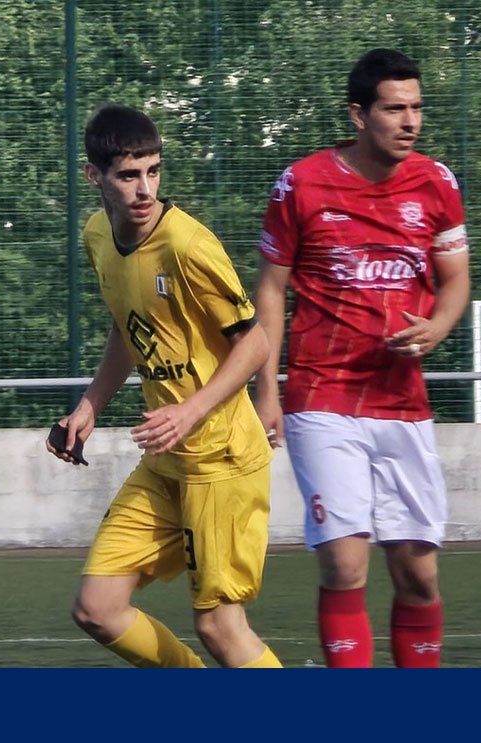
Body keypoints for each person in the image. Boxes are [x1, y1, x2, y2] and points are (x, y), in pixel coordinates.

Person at [254, 48, 470, 668]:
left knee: (418, 574)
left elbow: (456, 279)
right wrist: (266, 392)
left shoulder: (437, 182)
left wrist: (438, 326)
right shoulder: (302, 184)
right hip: (322, 396)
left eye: (417, 108)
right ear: (358, 114)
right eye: (395, 109)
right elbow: (269, 290)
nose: (411, 121)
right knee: (345, 563)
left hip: (403, 402)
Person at [46, 104, 281, 668]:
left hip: (221, 459)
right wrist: (90, 406)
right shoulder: (98, 235)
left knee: (220, 625)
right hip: (167, 462)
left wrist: (190, 411)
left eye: (153, 171)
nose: (145, 189)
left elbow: (255, 343)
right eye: (129, 175)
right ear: (94, 175)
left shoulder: (187, 246)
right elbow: (129, 328)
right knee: (97, 608)